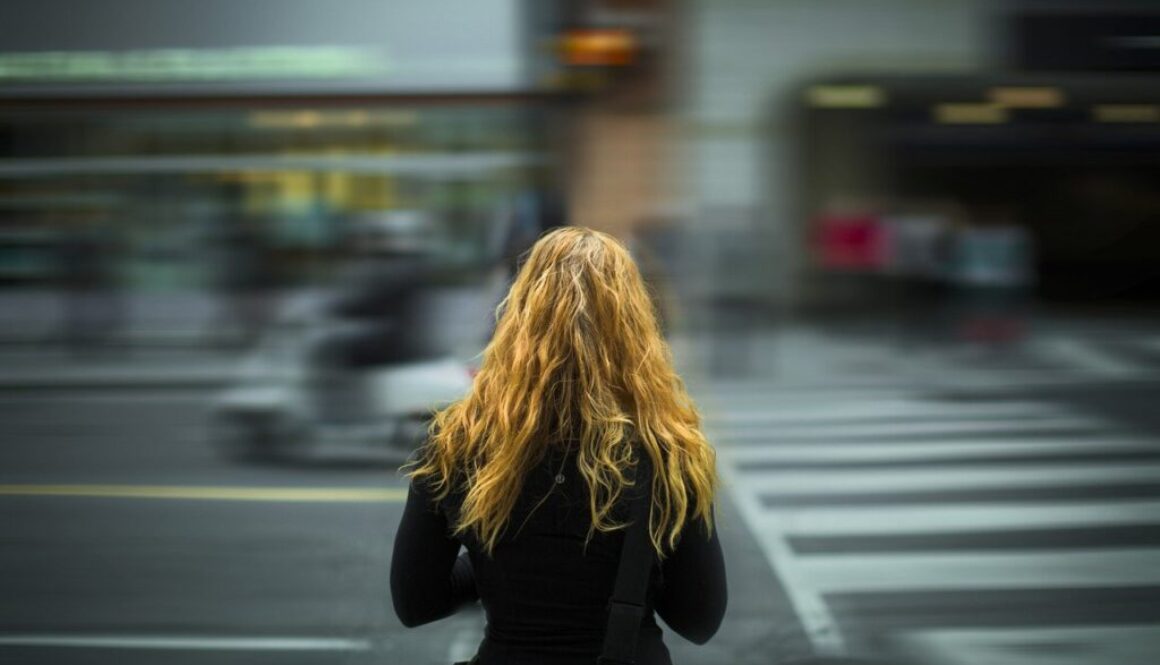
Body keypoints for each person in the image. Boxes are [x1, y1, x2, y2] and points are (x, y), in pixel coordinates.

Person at [391, 227, 727, 664]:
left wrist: (497, 554)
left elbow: (417, 601)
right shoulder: (666, 447)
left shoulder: (458, 439)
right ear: (634, 324)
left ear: (518, 315)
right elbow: (699, 619)